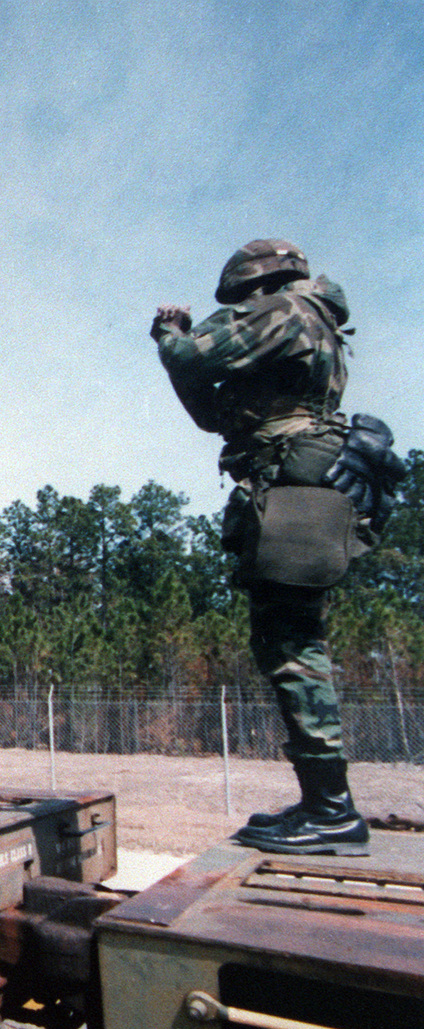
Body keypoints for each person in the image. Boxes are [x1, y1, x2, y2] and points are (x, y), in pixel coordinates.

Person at [152, 239, 401, 857]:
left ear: (254, 286)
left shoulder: (284, 310)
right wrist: (175, 356)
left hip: (291, 479)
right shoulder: (309, 321)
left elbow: (192, 353)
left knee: (291, 644)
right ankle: (325, 802)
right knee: (289, 639)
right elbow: (212, 414)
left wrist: (170, 333)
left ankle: (331, 810)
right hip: (295, 478)